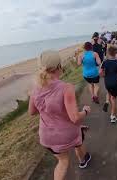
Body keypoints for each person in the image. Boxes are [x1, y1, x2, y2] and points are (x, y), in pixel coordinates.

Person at [28, 50, 92, 180]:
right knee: (77, 139)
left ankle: (83, 159)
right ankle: (83, 160)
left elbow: (32, 112)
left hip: (47, 137)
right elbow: (74, 118)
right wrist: (85, 111)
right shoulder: (66, 87)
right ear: (58, 67)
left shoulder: (36, 88)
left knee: (62, 160)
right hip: (66, 134)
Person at [100, 45, 117, 123]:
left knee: (108, 91)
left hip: (107, 82)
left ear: (108, 53)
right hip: (115, 82)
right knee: (113, 98)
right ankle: (113, 116)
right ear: (116, 53)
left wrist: (104, 75)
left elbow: (101, 73)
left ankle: (107, 101)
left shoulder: (105, 62)